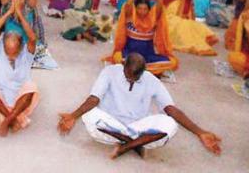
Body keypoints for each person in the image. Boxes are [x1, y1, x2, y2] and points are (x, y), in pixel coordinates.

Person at [58, 53, 222, 160]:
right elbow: (94, 99)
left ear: (143, 72)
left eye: (135, 78)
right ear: (123, 65)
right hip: (112, 125)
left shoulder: (152, 80)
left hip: (138, 127)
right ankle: (136, 144)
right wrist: (73, 116)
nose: (130, 81)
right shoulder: (109, 72)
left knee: (170, 124)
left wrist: (200, 132)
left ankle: (126, 146)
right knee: (90, 115)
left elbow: (171, 109)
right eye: (128, 76)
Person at [0, 0, 39, 137]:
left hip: (20, 103)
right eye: (7, 51)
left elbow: (32, 37)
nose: (9, 55)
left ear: (20, 47)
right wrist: (9, 12)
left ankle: (7, 120)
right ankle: (11, 119)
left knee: (32, 87)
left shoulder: (27, 52)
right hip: (0, 102)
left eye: (13, 52)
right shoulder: (0, 49)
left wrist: (19, 12)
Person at [106, 0, 178, 76]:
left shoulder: (153, 18)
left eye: (145, 9)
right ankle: (146, 70)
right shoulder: (131, 15)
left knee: (172, 62)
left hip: (147, 55)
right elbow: (129, 2)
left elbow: (159, 5)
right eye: (140, 8)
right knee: (117, 57)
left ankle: (140, 69)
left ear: (149, 10)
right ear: (136, 8)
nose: (142, 11)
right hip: (130, 53)